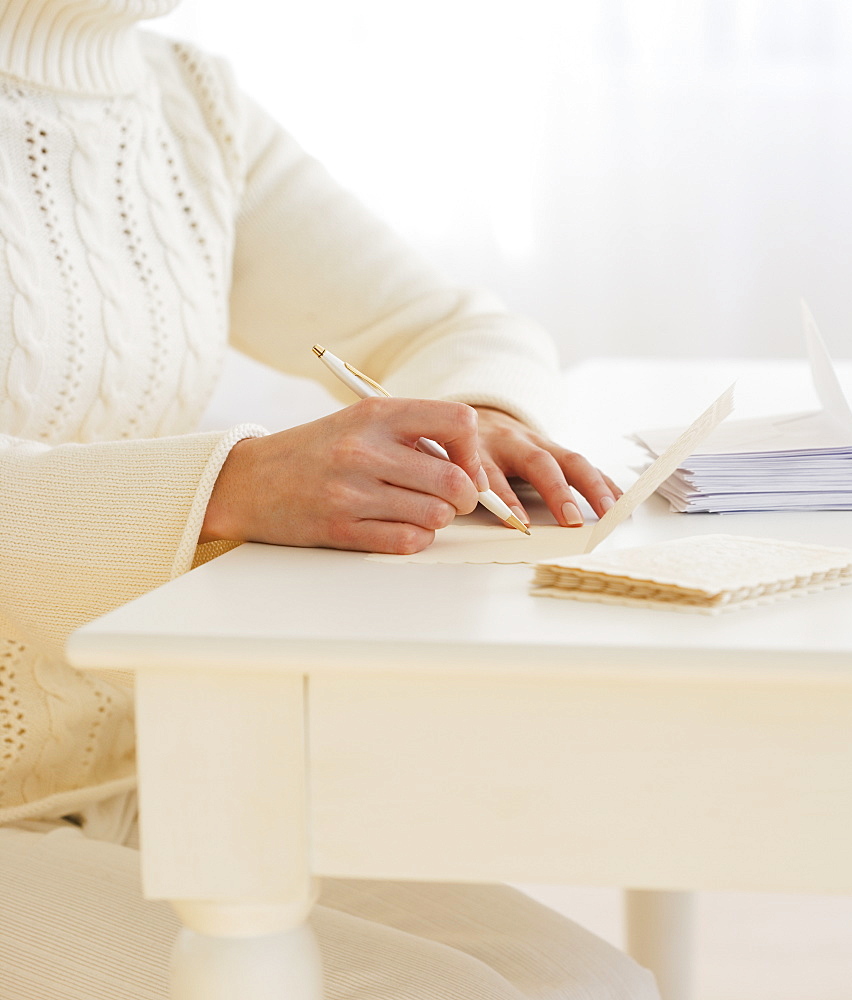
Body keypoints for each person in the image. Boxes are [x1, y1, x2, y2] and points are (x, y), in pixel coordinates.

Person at [0, 1, 656, 997]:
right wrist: (232, 482)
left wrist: (474, 417)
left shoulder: (188, 102)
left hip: (152, 770)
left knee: (588, 984)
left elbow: (442, 319)